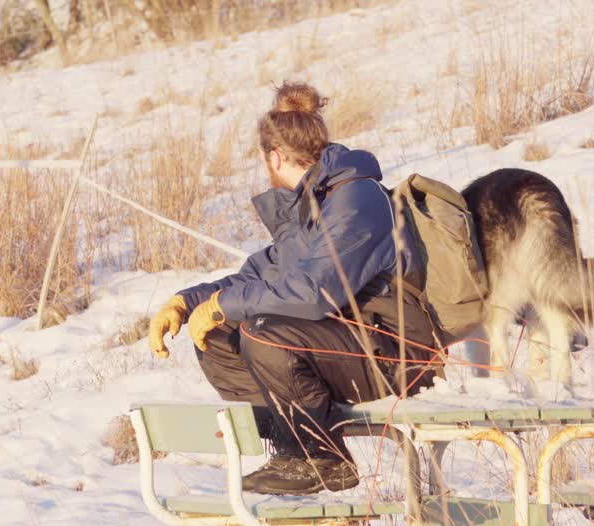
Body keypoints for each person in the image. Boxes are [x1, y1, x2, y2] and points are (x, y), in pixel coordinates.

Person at [148, 82, 438, 495]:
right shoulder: (313, 204)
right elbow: (265, 274)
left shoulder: (356, 201)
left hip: (399, 354)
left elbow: (312, 291)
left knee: (264, 332)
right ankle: (294, 443)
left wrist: (224, 305)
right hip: (354, 347)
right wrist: (188, 301)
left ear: (275, 155)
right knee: (219, 334)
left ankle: (319, 458)